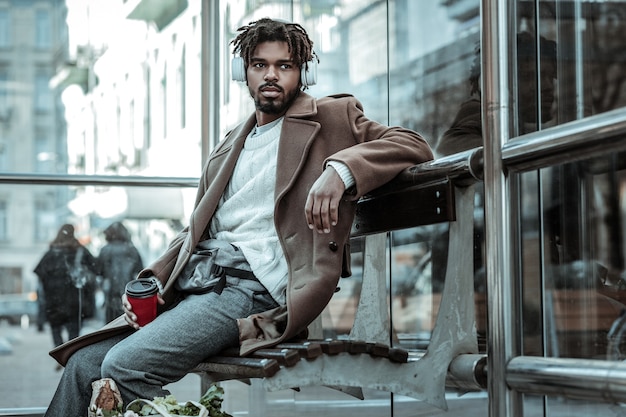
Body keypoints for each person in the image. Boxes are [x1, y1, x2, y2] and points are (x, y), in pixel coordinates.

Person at [45, 18, 433, 415]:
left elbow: (413, 145)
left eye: (285, 66)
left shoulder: (332, 116)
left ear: (304, 73)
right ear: (242, 72)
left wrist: (341, 171)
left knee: (124, 365)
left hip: (251, 292)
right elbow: (197, 227)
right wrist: (157, 278)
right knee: (84, 365)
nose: (271, 75)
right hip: (200, 284)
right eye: (259, 64)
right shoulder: (233, 142)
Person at [34, 224, 99, 348]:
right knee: (74, 330)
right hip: (74, 298)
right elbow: (96, 268)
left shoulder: (52, 252)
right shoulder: (80, 251)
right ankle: (70, 354)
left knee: (55, 327)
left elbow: (40, 273)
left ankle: (59, 350)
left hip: (54, 300)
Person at [98, 222, 144, 323]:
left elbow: (99, 271)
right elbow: (141, 271)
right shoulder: (132, 249)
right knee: (129, 321)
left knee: (111, 324)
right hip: (129, 291)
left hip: (111, 292)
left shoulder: (105, 250)